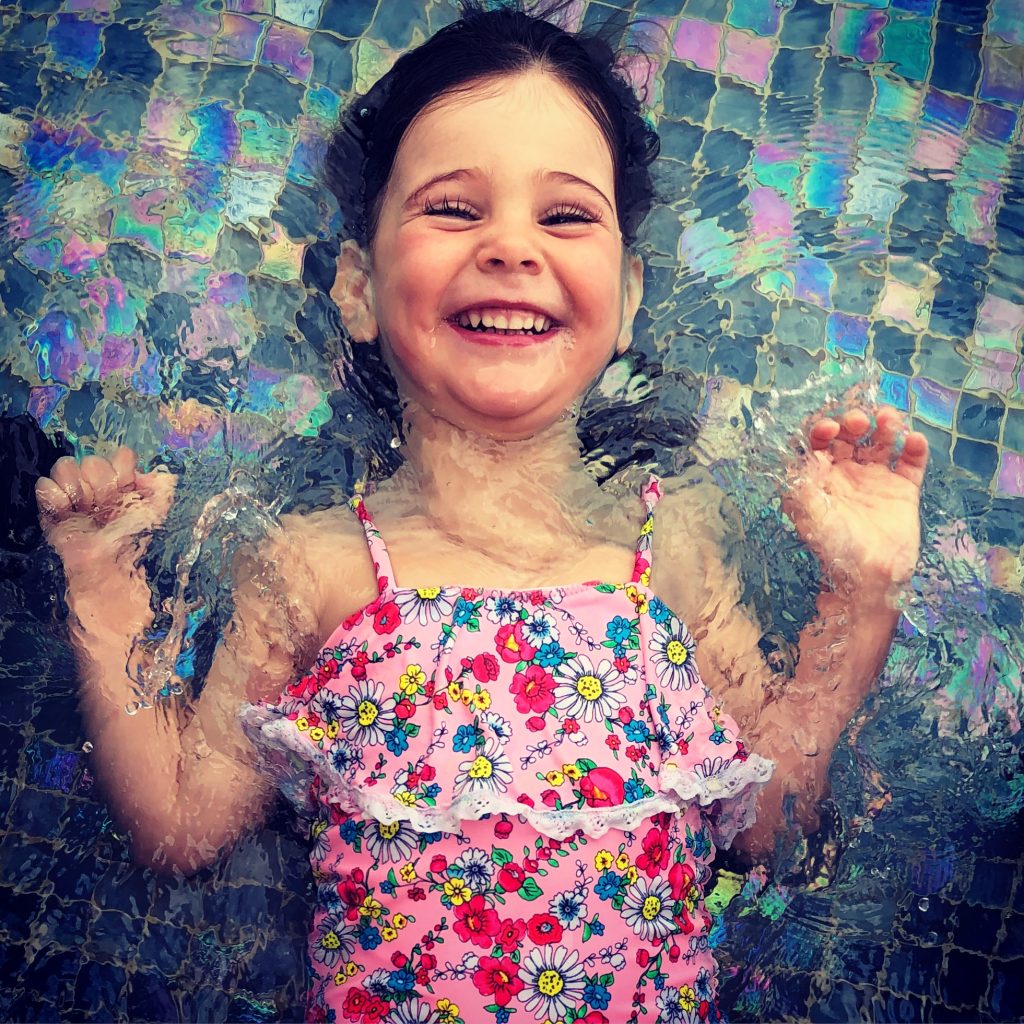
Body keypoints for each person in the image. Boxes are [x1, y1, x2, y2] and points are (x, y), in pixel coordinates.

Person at [33, 3, 929, 1021]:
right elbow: (185, 828)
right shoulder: (316, 564)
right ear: (359, 287)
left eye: (565, 216)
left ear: (628, 297)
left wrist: (861, 594)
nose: (511, 245)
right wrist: (102, 582)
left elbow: (771, 824)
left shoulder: (665, 548)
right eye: (454, 209)